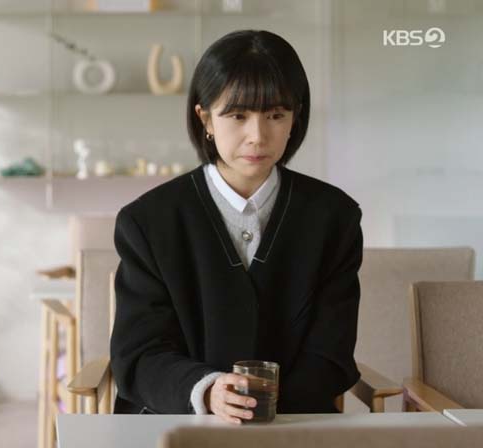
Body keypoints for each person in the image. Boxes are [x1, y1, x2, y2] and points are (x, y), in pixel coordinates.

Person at [109, 30, 363, 424]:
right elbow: (140, 356)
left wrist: (265, 415)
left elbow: (331, 354)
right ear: (205, 118)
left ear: (295, 117)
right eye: (238, 115)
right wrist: (208, 391)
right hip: (175, 423)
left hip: (293, 426)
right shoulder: (148, 221)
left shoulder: (334, 217)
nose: (258, 136)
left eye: (276, 115)